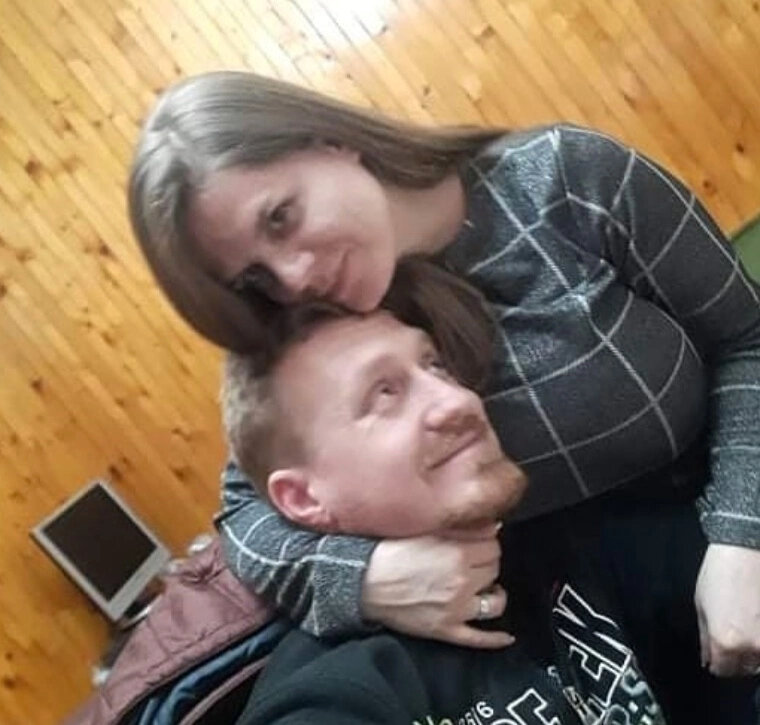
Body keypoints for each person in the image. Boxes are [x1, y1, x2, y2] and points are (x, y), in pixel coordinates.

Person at [128, 72, 760, 718]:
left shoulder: (565, 177)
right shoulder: (327, 321)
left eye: (281, 217)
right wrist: (364, 580)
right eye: (255, 275)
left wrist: (742, 534)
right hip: (604, 625)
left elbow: (748, 337)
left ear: (328, 141)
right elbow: (248, 513)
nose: (293, 277)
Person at [222, 305, 666, 725]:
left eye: (435, 365)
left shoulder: (571, 545)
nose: (460, 400)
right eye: (385, 393)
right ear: (304, 499)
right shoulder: (343, 689)